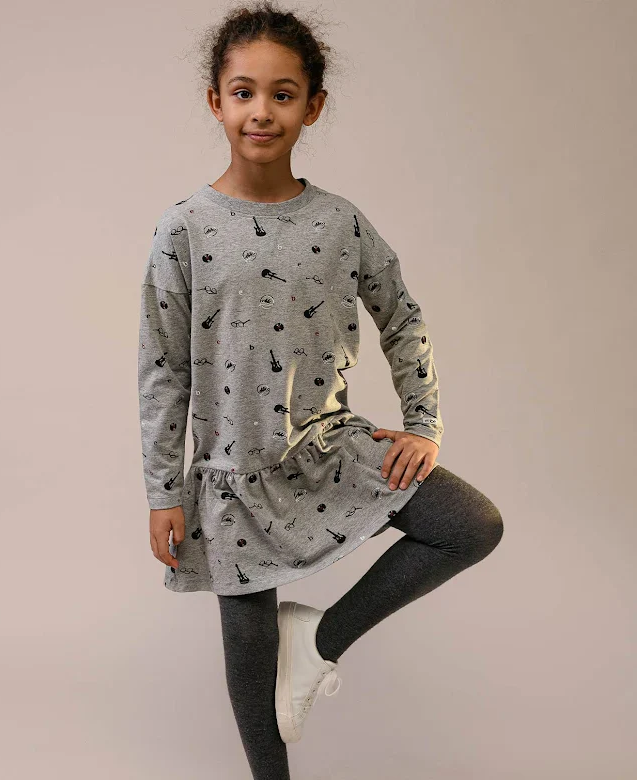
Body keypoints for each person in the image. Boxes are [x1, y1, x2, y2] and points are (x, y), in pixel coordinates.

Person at [136, 2, 503, 777]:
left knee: (472, 525)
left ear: (313, 106)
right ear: (215, 101)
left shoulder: (340, 224)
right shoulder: (184, 229)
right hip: (232, 479)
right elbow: (163, 368)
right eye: (244, 92)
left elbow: (403, 317)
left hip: (328, 450)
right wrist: (163, 489)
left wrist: (423, 423)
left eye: (283, 94)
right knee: (252, 675)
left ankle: (318, 641)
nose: (261, 111)